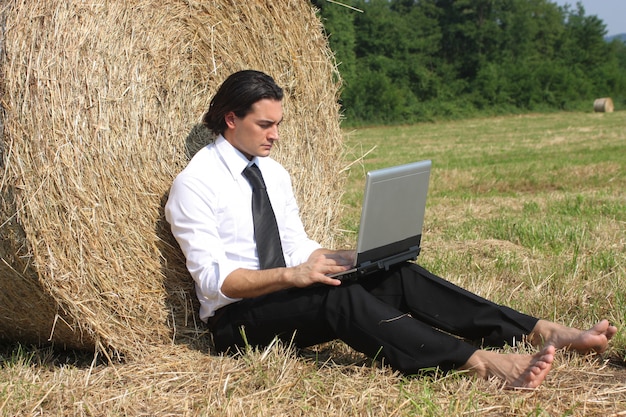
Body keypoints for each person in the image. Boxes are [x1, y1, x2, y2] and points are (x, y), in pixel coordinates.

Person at [165, 70, 617, 389]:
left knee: (392, 273)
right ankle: (479, 363)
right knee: (336, 297)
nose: (275, 136)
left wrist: (347, 256)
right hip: (237, 322)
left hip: (289, 293)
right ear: (230, 119)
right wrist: (293, 276)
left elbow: (295, 244)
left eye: (278, 124)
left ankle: (537, 330)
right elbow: (215, 283)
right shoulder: (195, 184)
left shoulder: (274, 172)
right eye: (266, 124)